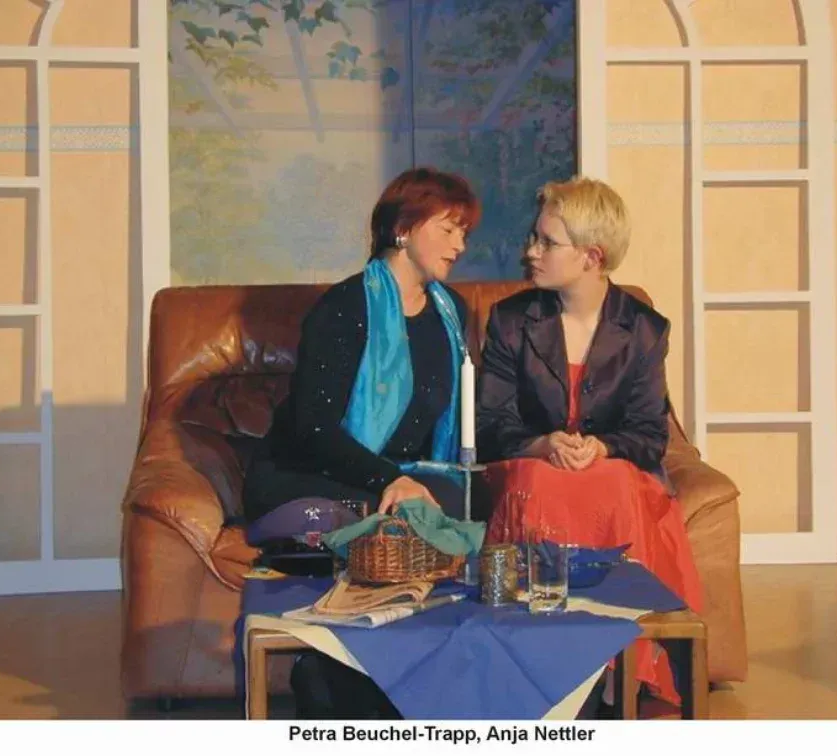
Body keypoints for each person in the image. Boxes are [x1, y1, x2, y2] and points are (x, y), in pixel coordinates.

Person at [242, 166, 481, 718]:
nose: (460, 245)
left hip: (400, 478)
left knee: (454, 514)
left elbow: (460, 424)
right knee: (401, 520)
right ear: (404, 228)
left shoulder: (452, 312)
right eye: (448, 229)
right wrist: (391, 480)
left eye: (464, 232)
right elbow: (314, 430)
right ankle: (331, 683)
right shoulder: (344, 308)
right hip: (310, 475)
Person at [476, 176, 704, 711]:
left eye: (546, 242)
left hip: (613, 474)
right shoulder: (512, 321)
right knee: (539, 479)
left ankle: (616, 669)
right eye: (534, 237)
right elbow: (490, 426)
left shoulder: (644, 329)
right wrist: (542, 444)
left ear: (591, 256)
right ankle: (542, 656)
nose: (530, 251)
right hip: (530, 466)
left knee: (616, 480)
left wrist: (600, 448)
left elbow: (649, 436)